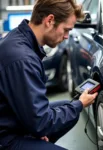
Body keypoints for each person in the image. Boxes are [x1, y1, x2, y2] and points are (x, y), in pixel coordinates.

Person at [0, 0, 98, 149]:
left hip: (12, 118)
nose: (66, 36)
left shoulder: (19, 38)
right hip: (6, 138)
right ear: (50, 20)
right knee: (74, 107)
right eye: (66, 30)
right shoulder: (23, 59)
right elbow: (40, 123)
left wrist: (75, 106)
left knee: (67, 106)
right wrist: (80, 104)